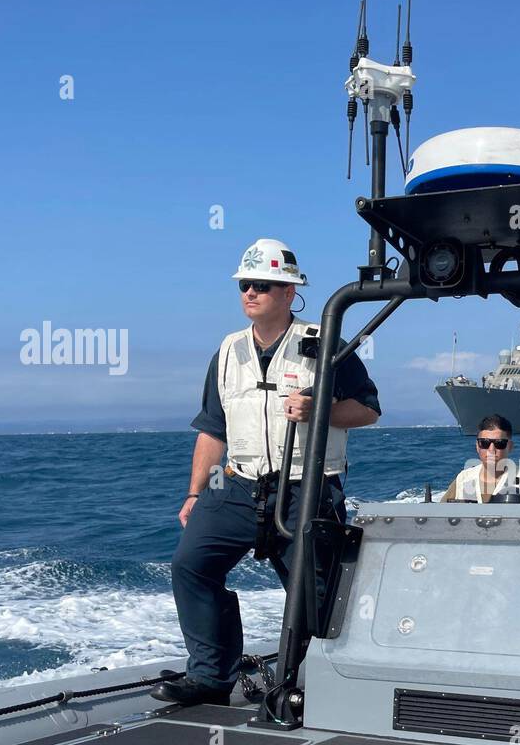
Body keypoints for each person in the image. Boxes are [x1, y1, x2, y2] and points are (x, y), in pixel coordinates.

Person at [152, 238, 381, 707]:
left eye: (262, 285)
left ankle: (304, 682)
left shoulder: (325, 342)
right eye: (245, 285)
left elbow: (369, 410)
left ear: (288, 292)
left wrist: (322, 409)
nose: (250, 292)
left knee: (311, 589)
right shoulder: (228, 351)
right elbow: (212, 429)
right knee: (190, 566)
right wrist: (195, 493)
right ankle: (212, 677)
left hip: (306, 486)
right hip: (236, 485)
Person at [440, 415, 520, 502]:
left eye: (500, 443)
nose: (491, 450)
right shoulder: (463, 479)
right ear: (477, 446)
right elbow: (440, 511)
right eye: (484, 443)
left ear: (510, 447)